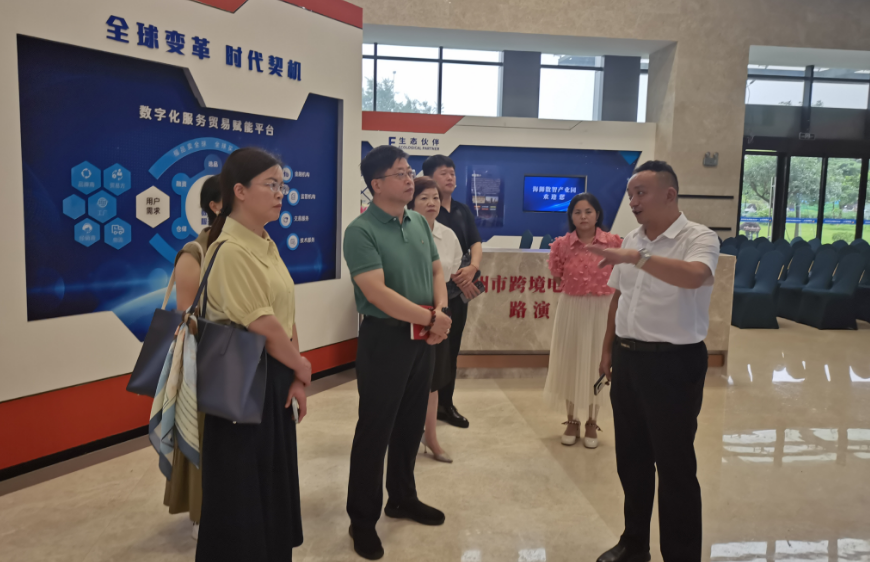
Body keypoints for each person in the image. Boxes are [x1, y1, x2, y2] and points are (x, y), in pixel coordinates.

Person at [589, 161, 719, 562]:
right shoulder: (633, 238)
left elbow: (695, 276)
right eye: (630, 194)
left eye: (640, 193)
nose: (633, 201)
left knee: (675, 465)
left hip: (674, 365)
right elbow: (619, 297)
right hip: (628, 360)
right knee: (632, 460)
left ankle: (680, 554)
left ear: (669, 194)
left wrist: (638, 258)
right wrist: (607, 350)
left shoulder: (699, 237)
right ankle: (634, 543)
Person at [195, 147, 313, 562]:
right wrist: (302, 366)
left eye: (282, 184)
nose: (281, 193)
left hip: (272, 380)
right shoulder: (230, 249)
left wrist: (296, 376)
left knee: (270, 487)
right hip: (244, 386)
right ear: (239, 191)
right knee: (242, 496)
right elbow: (263, 325)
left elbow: (285, 315)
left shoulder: (264, 242)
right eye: (271, 184)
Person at [344, 146, 451, 560]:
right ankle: (362, 520)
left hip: (422, 338)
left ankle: (402, 498)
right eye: (400, 174)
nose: (410, 180)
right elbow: (376, 292)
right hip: (385, 339)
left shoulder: (418, 222)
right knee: (375, 431)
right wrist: (432, 319)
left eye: (410, 172)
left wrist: (439, 312)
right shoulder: (361, 231)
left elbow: (436, 270)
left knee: (409, 424)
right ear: (377, 184)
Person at [163, 175, 222, 540]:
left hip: (244, 361)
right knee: (206, 439)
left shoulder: (249, 246)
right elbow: (188, 317)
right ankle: (206, 513)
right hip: (209, 364)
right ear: (215, 206)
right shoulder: (194, 252)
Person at [543, 193, 621, 449]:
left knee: (597, 362)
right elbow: (557, 276)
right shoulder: (561, 245)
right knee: (571, 361)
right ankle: (572, 420)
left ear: (597, 214)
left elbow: (622, 275)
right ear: (571, 216)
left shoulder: (613, 242)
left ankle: (591, 421)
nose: (583, 216)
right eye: (577, 212)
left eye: (588, 211)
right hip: (572, 309)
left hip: (602, 309)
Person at [407, 176, 463, 463]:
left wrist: (440, 313)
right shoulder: (400, 232)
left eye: (436, 198)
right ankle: (404, 435)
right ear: (410, 202)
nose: (432, 203)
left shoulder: (448, 235)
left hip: (439, 313)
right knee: (407, 379)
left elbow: (447, 274)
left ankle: (431, 436)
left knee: (432, 380)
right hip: (407, 313)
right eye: (424, 198)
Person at [422, 154, 480, 429]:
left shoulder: (461, 210)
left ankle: (446, 404)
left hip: (456, 293)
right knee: (426, 353)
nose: (450, 178)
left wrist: (472, 269)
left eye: (453, 173)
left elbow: (475, 243)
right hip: (426, 296)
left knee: (450, 351)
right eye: (444, 173)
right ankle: (421, 407)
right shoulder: (421, 212)